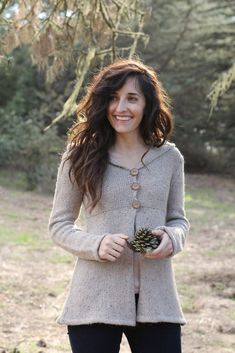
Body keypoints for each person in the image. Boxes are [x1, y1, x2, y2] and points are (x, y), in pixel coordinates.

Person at [48, 58, 190, 353]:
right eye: (113, 98)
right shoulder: (79, 156)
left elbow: (179, 219)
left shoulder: (170, 159)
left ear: (147, 104)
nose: (120, 108)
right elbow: (59, 225)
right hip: (93, 300)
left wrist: (172, 239)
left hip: (158, 301)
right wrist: (96, 244)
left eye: (132, 99)